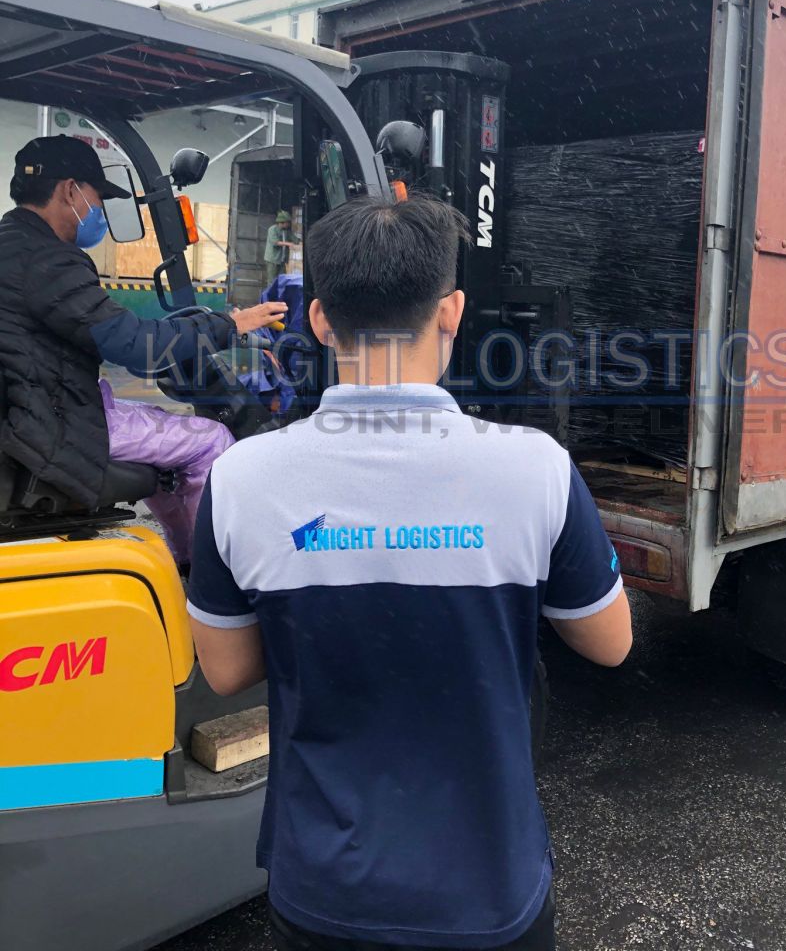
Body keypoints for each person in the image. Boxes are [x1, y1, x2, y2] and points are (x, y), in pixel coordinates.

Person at [187, 193, 632, 951]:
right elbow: (610, 643)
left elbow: (226, 671)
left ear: (319, 320)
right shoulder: (536, 470)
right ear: (452, 311)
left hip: (324, 891)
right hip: (488, 892)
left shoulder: (240, 478)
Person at [0, 135, 287, 565]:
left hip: (33, 408)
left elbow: (109, 332)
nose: (98, 210)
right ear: (70, 191)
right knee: (211, 439)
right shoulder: (47, 260)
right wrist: (231, 324)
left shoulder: (13, 244)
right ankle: (211, 578)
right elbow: (136, 346)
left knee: (161, 428)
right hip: (48, 424)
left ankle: (183, 559)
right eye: (98, 198)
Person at [263, 209, 299, 286]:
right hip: (273, 260)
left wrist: (301, 242)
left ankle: (279, 293)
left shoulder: (286, 231)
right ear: (282, 222)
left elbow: (295, 239)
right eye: (287, 222)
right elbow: (275, 242)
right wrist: (288, 244)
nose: (288, 224)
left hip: (282, 260)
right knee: (272, 281)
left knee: (282, 280)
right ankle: (272, 294)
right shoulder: (272, 229)